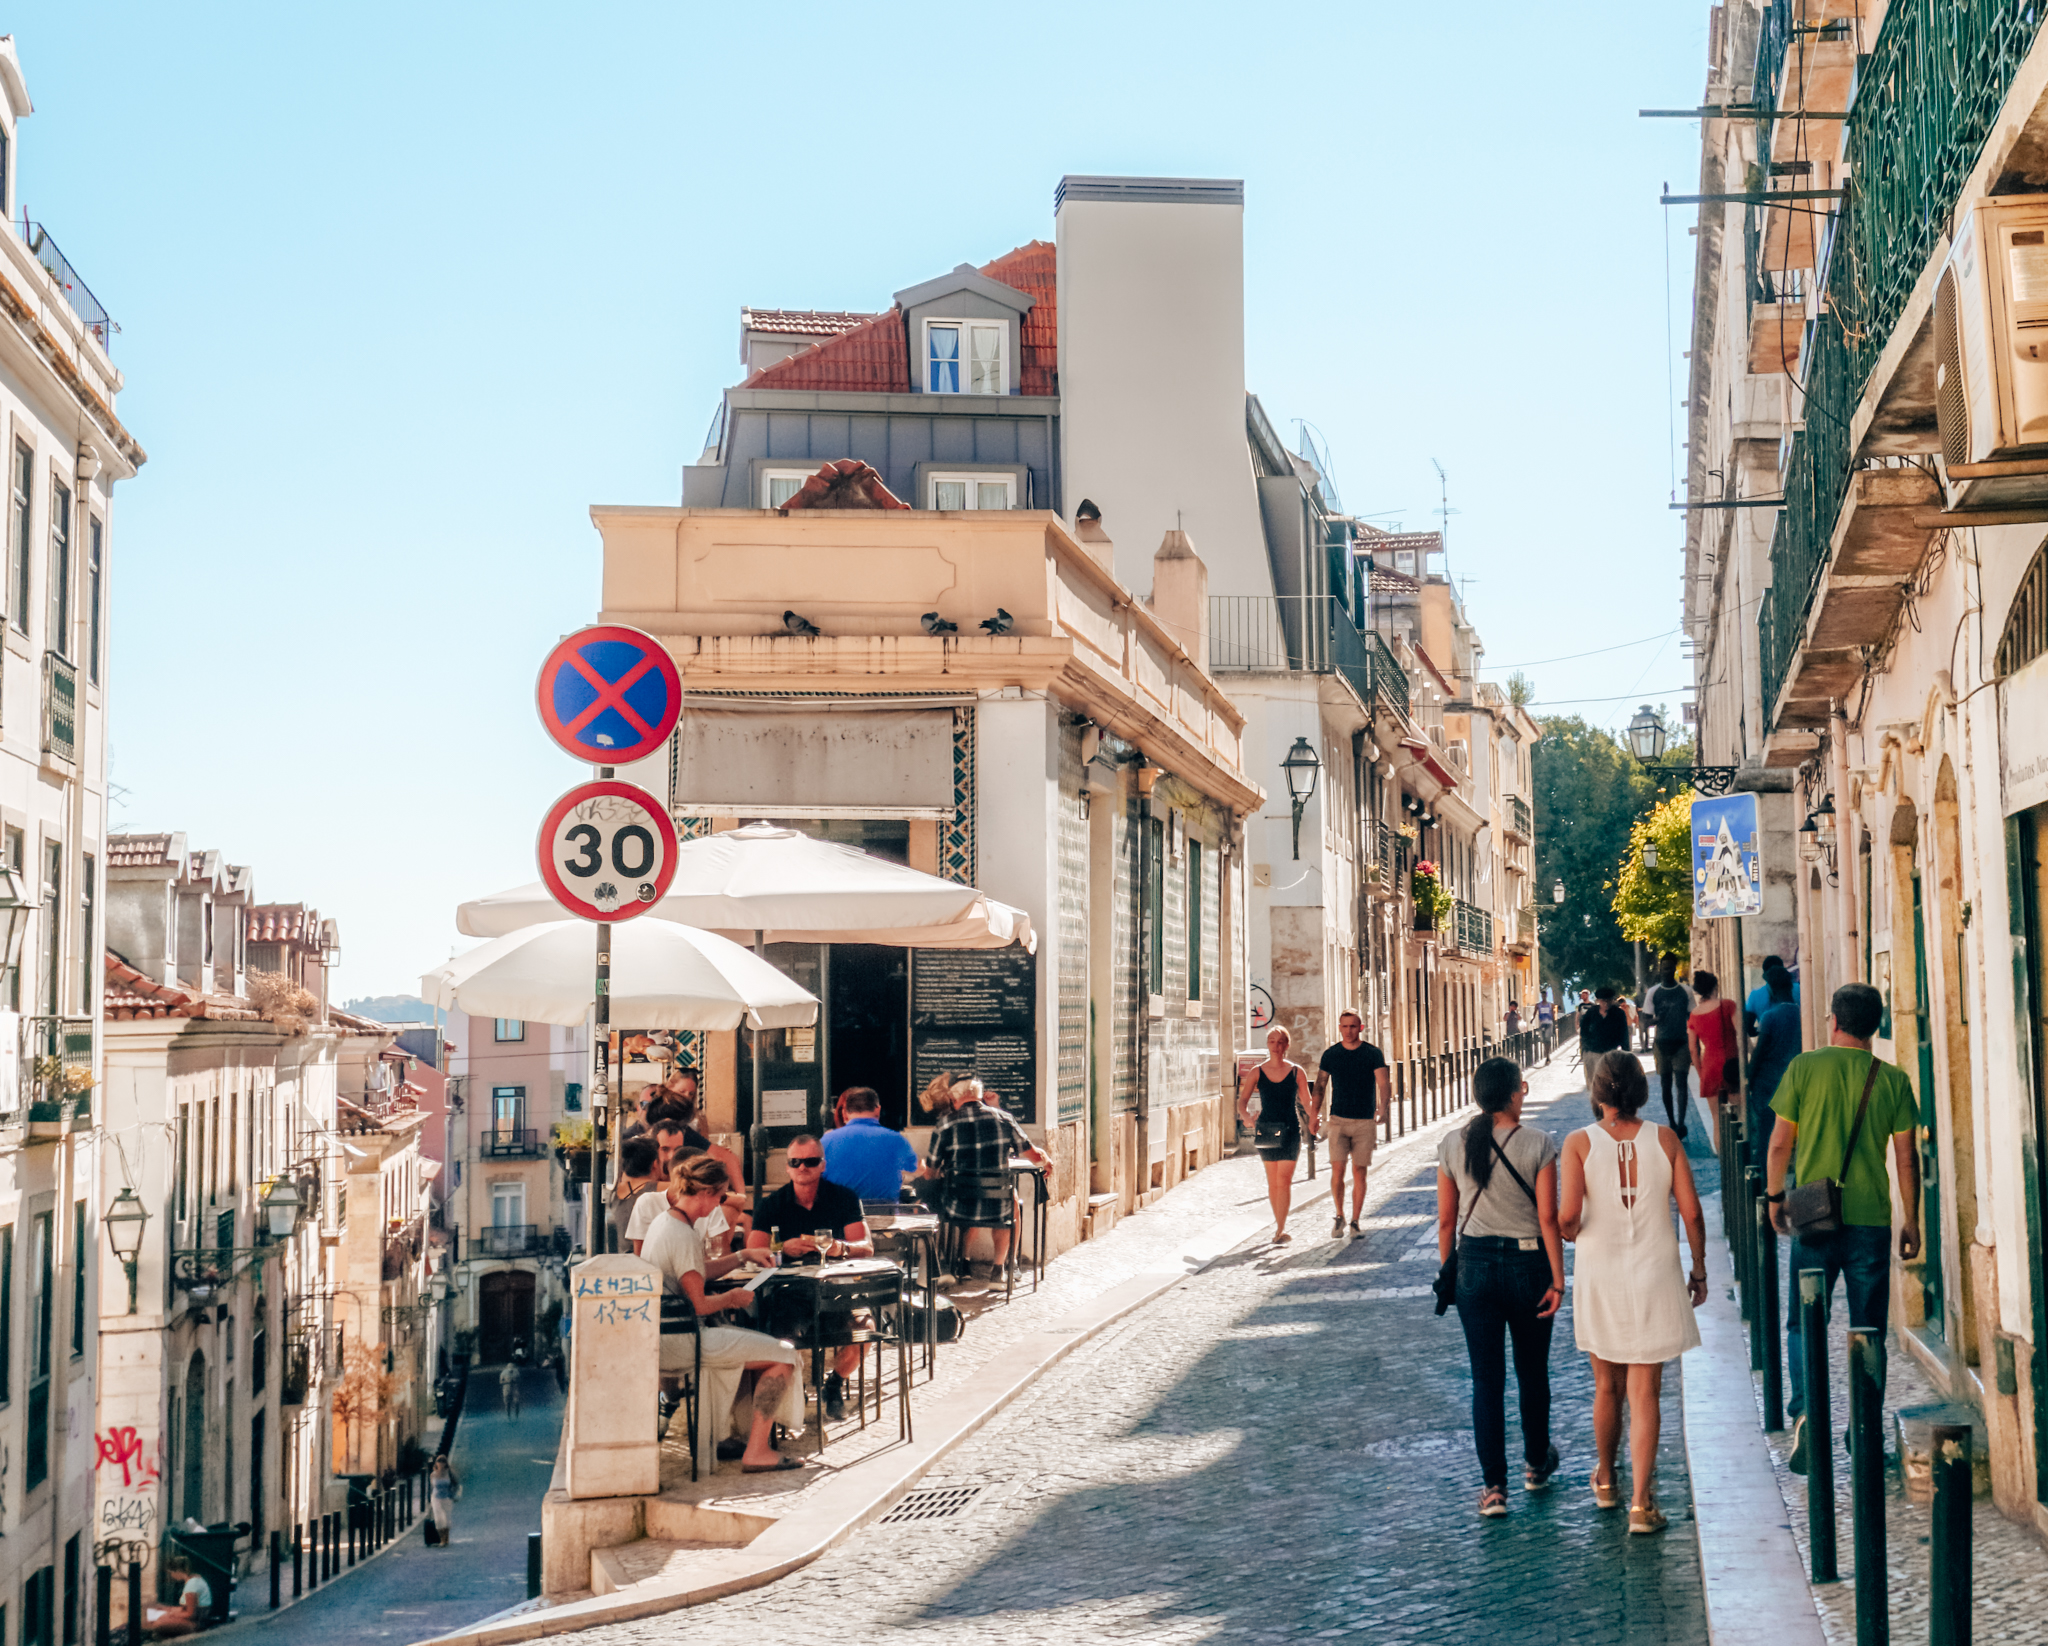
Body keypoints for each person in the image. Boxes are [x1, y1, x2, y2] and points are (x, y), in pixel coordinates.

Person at [1766, 982, 1920, 1474]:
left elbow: (1779, 1145)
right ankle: (1864, 1427)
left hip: (1812, 1215)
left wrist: (1774, 1199)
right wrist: (1910, 1217)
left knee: (1802, 1321)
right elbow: (1905, 1158)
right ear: (1875, 1027)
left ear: (1833, 1020)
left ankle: (1807, 1413)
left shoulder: (1804, 1069)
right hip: (1871, 1220)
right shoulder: (1892, 1080)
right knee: (1868, 1326)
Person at [1559, 1051, 1707, 1533]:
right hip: (1655, 1270)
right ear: (1640, 1092)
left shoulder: (1578, 1143)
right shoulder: (1664, 1139)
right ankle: (1642, 1505)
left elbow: (1566, 1217)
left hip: (1600, 1271)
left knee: (1606, 1384)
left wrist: (1569, 1231)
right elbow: (1692, 1212)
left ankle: (1606, 1481)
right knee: (1646, 1391)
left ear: (1597, 1091)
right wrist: (1699, 1268)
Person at [1436, 1056, 1565, 1517]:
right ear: (1516, 1093)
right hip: (1529, 1266)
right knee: (1533, 1373)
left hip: (1474, 1267)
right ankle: (1535, 1464)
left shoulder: (1454, 1144)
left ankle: (1493, 1488)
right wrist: (1559, 1279)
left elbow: (1447, 1220)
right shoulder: (1539, 1144)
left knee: (1486, 1381)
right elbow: (1548, 1218)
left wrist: (1450, 1272)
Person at [642, 1154, 807, 1473]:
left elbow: (696, 1273)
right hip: (686, 1342)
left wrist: (742, 1255)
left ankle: (736, 1436)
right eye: (720, 1196)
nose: (720, 1204)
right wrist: (733, 1298)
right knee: (783, 1355)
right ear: (706, 1192)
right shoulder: (683, 1235)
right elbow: (702, 1304)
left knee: (760, 1347)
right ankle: (757, 1451)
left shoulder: (667, 1222)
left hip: (667, 1336)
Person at [745, 1133, 874, 1421]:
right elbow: (753, 1252)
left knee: (865, 1333)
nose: (803, 1167)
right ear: (788, 1167)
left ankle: (834, 1384)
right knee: (780, 1341)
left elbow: (866, 1247)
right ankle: (794, 1391)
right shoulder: (773, 1203)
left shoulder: (843, 1198)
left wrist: (840, 1247)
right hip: (791, 1292)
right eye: (796, 1162)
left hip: (839, 1290)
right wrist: (782, 1249)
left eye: (811, 1161)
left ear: (822, 1165)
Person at [921, 1079, 1048, 1279]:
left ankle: (962, 1264)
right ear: (979, 1096)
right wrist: (1046, 1160)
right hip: (997, 1203)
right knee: (1011, 1202)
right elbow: (1034, 1156)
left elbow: (931, 1171)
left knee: (973, 1197)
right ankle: (1002, 1266)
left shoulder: (946, 1123)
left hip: (956, 1205)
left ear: (956, 1099)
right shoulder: (1004, 1119)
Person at [1312, 1011, 1389, 1237]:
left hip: (1364, 1121)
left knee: (1360, 1172)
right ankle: (1339, 1216)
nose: (1349, 1030)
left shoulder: (1372, 1054)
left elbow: (1383, 1083)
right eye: (1345, 1026)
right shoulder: (1331, 1054)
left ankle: (1355, 1221)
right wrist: (1313, 1116)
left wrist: (1383, 1108)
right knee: (1337, 1169)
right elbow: (1319, 1085)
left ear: (1361, 1027)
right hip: (1337, 1120)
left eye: (1353, 1026)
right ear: (1339, 1028)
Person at [1238, 1024, 1311, 1244]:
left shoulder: (1297, 1071)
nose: (1276, 1046)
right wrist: (1247, 1117)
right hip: (1267, 1128)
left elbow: (1307, 1100)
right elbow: (1242, 1101)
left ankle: (1280, 1228)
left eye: (1281, 1042)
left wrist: (1315, 1118)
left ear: (1287, 1045)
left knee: (1285, 1180)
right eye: (1272, 1041)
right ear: (1267, 1045)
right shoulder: (1257, 1072)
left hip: (1290, 1129)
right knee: (1273, 1181)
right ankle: (1278, 1226)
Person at [822, 1087, 920, 1203]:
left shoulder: (826, 1141)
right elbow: (915, 1169)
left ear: (844, 1113)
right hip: (885, 1215)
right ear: (878, 1110)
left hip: (841, 1216)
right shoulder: (897, 1140)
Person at [1745, 970, 1802, 1170]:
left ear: (1770, 990)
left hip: (1768, 1085)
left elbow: (1759, 1053)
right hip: (1793, 1083)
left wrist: (1749, 1080)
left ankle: (1766, 1178)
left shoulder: (1769, 1017)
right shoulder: (1802, 1014)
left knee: (1766, 1134)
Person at [1646, 959, 1697, 1136]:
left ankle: (1681, 1123)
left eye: (1668, 968)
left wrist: (1694, 1043)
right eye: (1663, 968)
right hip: (1661, 1044)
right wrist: (1656, 1020)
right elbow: (1644, 1021)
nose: (1665, 971)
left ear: (1674, 969)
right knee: (1665, 1084)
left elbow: (1693, 1017)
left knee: (1682, 1083)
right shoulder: (1653, 992)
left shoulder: (1685, 991)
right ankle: (1672, 1121)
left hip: (1681, 1042)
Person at [1686, 970, 1740, 1117]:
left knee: (1717, 1120)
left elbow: (1692, 1049)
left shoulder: (1694, 1015)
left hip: (1710, 1068)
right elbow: (1741, 1034)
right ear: (1715, 986)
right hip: (1731, 1063)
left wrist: (1700, 1072)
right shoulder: (1728, 1005)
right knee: (1741, 1115)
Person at [607, 1136, 662, 1253]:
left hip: (615, 1261)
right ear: (655, 1164)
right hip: (640, 1262)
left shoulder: (613, 1191)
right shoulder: (657, 1189)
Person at [145, 1556, 212, 1635]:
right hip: (195, 1616)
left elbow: (190, 1614)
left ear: (178, 1571)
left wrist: (171, 1614)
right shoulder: (194, 1579)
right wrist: (169, 1610)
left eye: (171, 1573)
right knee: (155, 1611)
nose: (171, 1576)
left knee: (158, 1622)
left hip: (196, 1622)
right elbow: (189, 1607)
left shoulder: (192, 1585)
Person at [1745, 954, 1800, 1038]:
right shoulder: (1798, 989)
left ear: (1765, 975)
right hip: (1796, 1044)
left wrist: (1764, 1031)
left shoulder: (1755, 995)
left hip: (1769, 1044)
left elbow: (1749, 1029)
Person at [1578, 987, 1630, 1056]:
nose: (1606, 1003)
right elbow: (1584, 1030)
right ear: (1598, 1000)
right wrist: (1586, 1047)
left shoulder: (1618, 1013)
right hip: (1594, 1050)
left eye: (1609, 1000)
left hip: (1612, 1050)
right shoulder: (1591, 1012)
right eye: (1603, 1000)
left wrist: (1626, 1053)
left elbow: (1624, 1033)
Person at [428, 1455, 458, 1545]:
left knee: (447, 1519)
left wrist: (452, 1495)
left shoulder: (449, 1474)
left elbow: (455, 1485)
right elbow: (431, 1488)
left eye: (443, 1462)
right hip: (436, 1498)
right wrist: (429, 1501)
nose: (441, 1464)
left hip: (447, 1498)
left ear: (445, 1464)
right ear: (436, 1463)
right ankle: (442, 1539)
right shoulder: (433, 1475)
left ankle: (446, 1538)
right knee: (439, 1520)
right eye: (439, 1461)